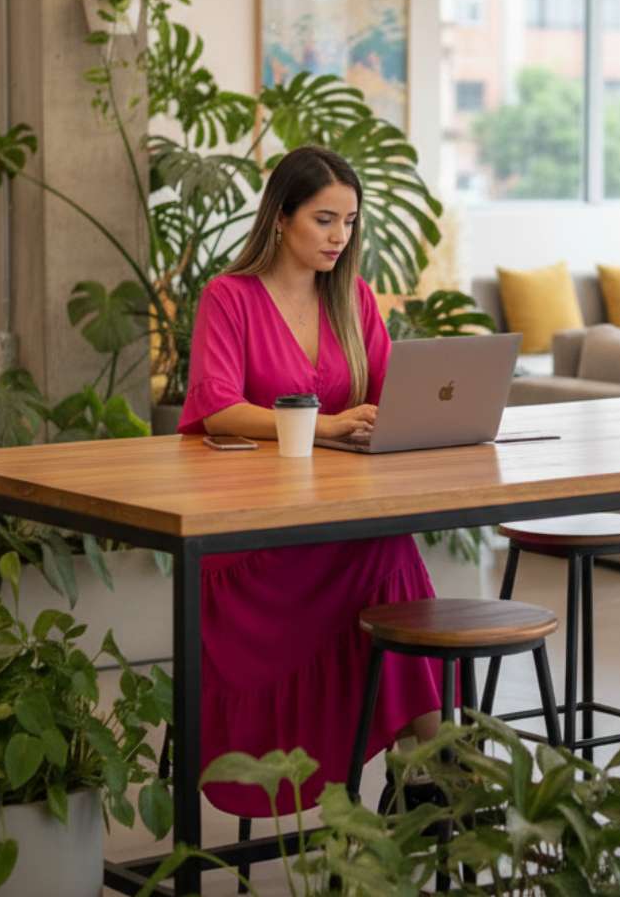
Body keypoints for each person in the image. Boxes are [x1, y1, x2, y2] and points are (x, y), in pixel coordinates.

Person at [177, 145, 444, 817]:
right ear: (280, 219)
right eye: (324, 219)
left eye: (349, 222)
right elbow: (215, 405)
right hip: (253, 540)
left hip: (335, 522)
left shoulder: (353, 298)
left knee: (389, 548)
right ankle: (433, 770)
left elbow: (392, 392)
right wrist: (323, 427)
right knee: (391, 554)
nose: (339, 237)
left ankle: (428, 770)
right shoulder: (229, 297)